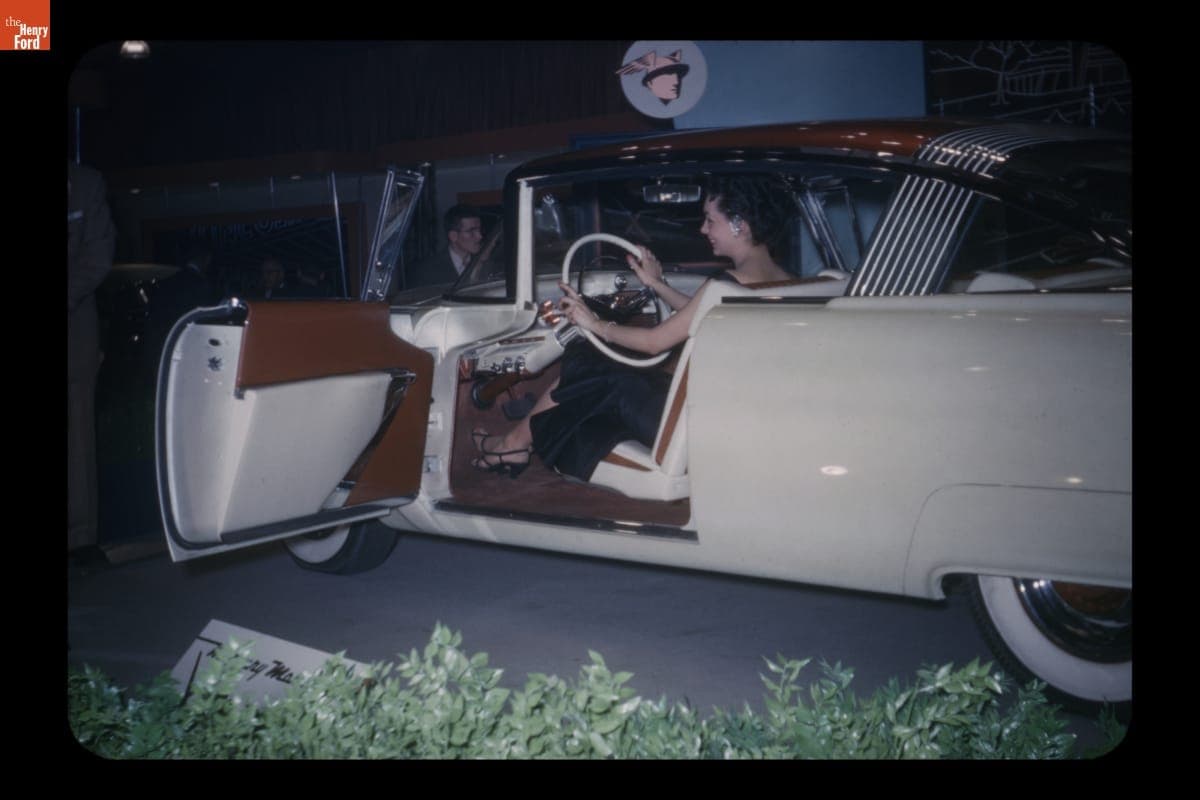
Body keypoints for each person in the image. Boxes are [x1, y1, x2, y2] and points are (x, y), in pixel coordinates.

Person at [472, 175, 796, 481]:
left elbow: (655, 343)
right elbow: (704, 312)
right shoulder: (786, 279)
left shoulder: (727, 283)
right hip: (736, 417)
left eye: (711, 220)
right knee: (603, 366)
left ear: (739, 223)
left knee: (588, 360)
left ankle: (513, 444)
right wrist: (655, 284)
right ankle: (515, 442)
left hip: (699, 426)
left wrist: (593, 322)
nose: (702, 229)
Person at [68, 161, 116, 562]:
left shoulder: (84, 183)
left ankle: (81, 542)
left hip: (73, 331)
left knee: (77, 440)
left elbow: (98, 257)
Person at [402, 204, 484, 290]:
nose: (479, 236)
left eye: (479, 230)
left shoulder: (485, 265)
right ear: (453, 236)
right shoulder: (426, 271)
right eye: (471, 231)